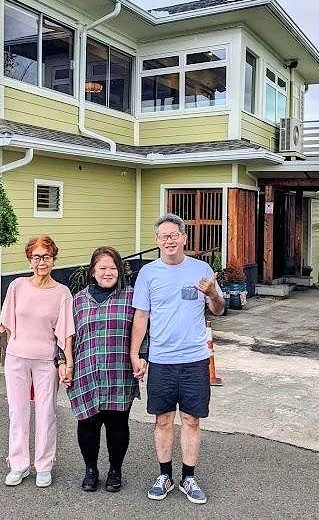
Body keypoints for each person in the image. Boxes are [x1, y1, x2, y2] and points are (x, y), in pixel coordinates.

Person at [130, 214, 225, 505]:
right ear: (157, 241)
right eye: (163, 236)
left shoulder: (201, 269)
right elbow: (141, 316)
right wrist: (135, 354)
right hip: (160, 360)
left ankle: (188, 477)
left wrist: (212, 294)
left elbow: (219, 310)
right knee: (162, 419)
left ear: (184, 238)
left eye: (174, 235)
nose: (168, 240)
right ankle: (164, 475)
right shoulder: (148, 273)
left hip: (195, 359)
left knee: (191, 420)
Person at [0, 235, 75, 488]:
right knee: (17, 412)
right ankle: (18, 464)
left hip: (45, 361)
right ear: (29, 260)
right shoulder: (17, 286)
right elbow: (7, 324)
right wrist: (16, 349)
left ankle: (44, 465)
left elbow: (65, 333)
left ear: (53, 259)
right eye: (36, 257)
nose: (41, 262)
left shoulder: (62, 293)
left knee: (46, 413)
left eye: (46, 257)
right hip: (17, 358)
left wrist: (67, 363)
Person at [64, 247, 141, 493]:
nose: (108, 273)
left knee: (118, 426)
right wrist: (62, 362)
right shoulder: (77, 300)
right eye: (102, 268)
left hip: (119, 373)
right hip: (86, 372)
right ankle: (91, 470)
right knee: (87, 424)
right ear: (93, 272)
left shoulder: (132, 298)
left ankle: (115, 470)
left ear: (120, 270)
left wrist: (142, 357)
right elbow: (65, 336)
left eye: (113, 268)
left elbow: (143, 331)